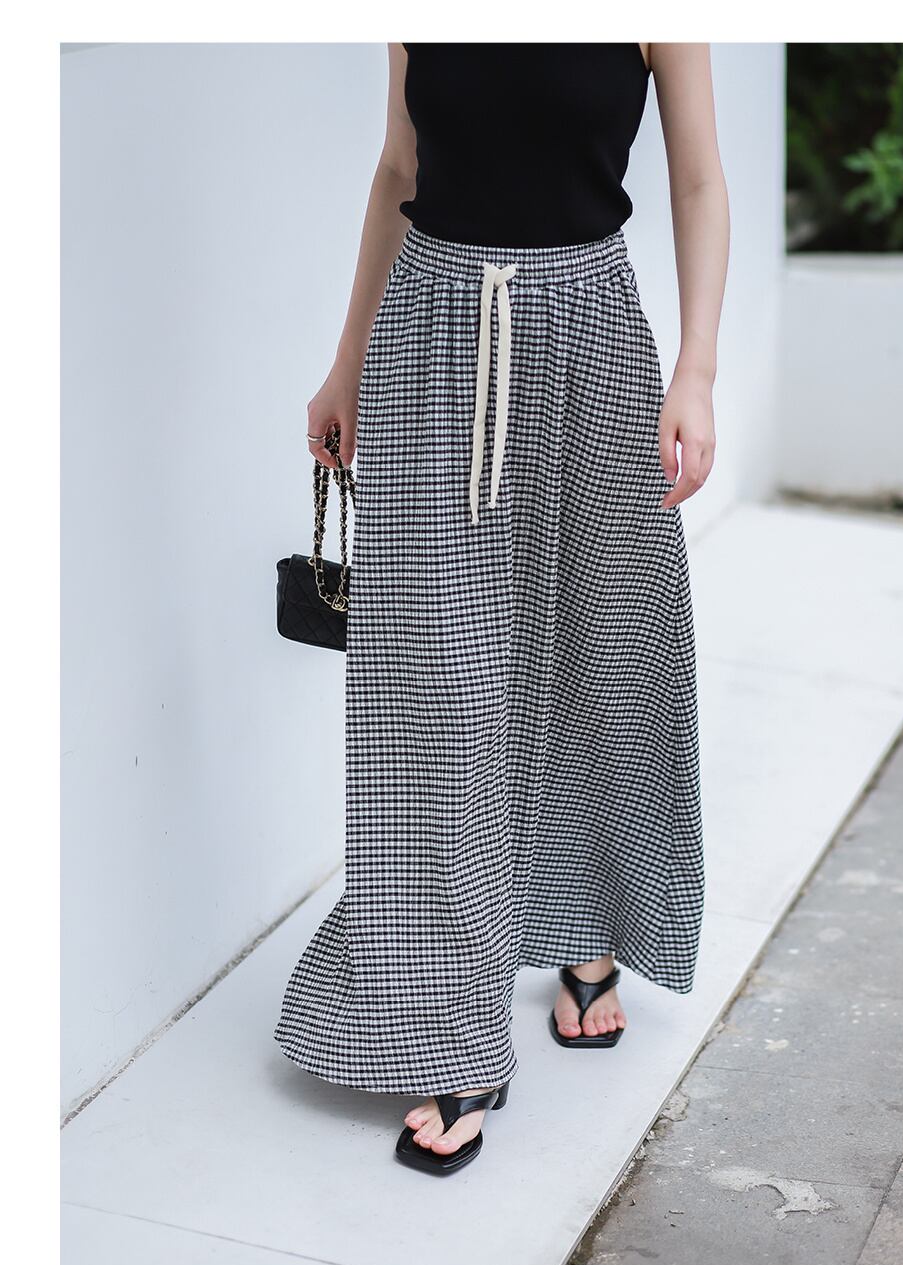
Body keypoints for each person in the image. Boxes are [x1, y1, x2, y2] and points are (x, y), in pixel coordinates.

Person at [274, 41, 729, 1175]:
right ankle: (452, 1024)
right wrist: (346, 363)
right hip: (431, 334)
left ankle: (588, 926)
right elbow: (399, 171)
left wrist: (698, 371)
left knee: (604, 651)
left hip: (593, 337)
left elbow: (697, 179)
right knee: (435, 693)